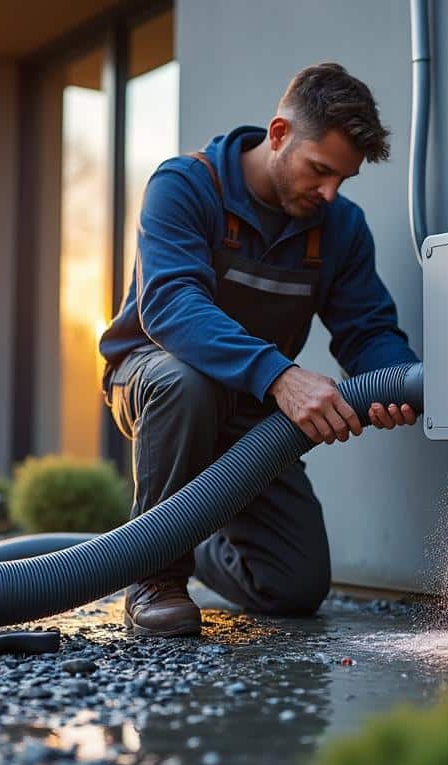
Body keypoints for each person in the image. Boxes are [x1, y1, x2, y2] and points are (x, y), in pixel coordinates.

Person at [98, 62, 419, 637]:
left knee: (293, 589)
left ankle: (186, 531)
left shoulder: (341, 227)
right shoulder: (186, 185)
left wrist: (394, 383)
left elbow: (366, 331)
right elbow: (171, 304)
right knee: (186, 383)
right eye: (320, 171)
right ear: (278, 134)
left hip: (252, 404)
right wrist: (281, 376)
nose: (329, 193)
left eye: (342, 180)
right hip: (156, 377)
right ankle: (154, 573)